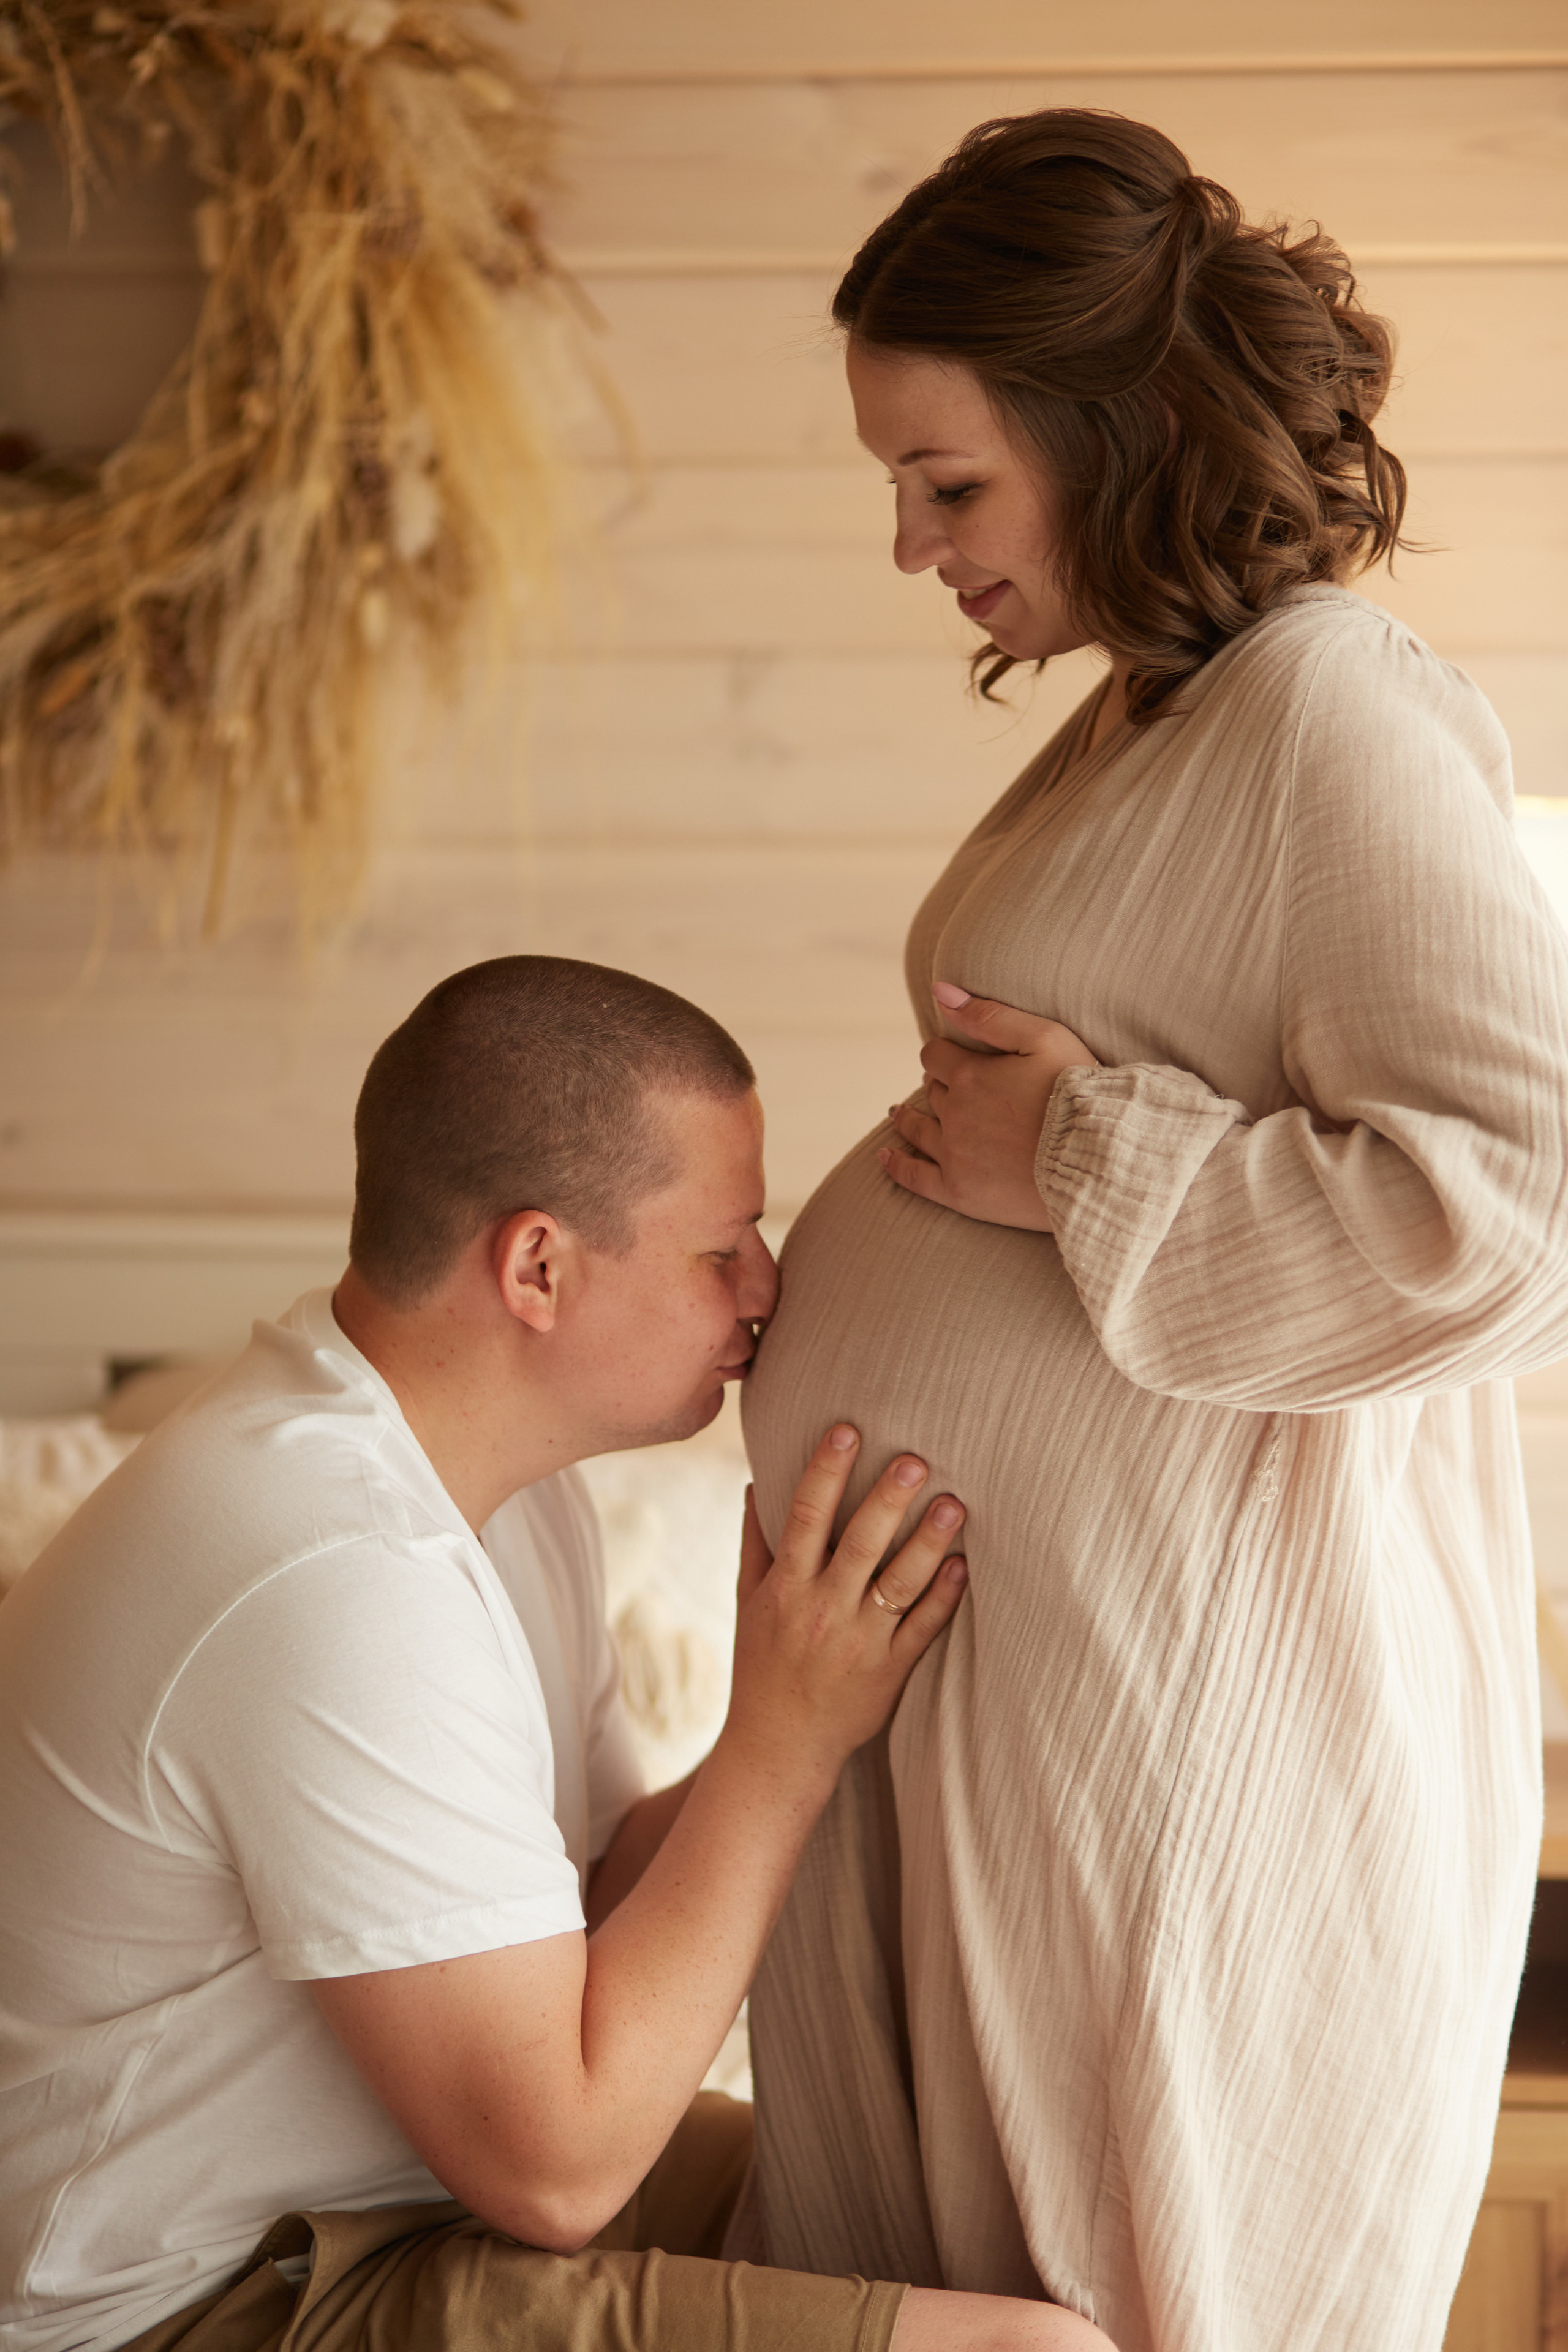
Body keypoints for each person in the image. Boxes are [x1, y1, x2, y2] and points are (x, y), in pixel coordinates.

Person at [738, 109, 1568, 2352]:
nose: (912, 549)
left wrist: (1079, 1157)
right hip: (1013, 1725)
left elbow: (1516, 1210)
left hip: (1186, 1745)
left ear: (1111, 435)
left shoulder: (1337, 709)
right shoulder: (1159, 718)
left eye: (949, 483)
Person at [0, 956, 1120, 2352]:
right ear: (536, 1267)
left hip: (384, 2209)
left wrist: (840, 1692)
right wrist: (779, 1743)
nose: (768, 1286)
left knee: (953, 2207)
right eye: (723, 1247)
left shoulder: (509, 1493)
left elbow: (581, 1899)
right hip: (176, 2306)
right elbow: (562, 2170)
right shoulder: (334, 1578)